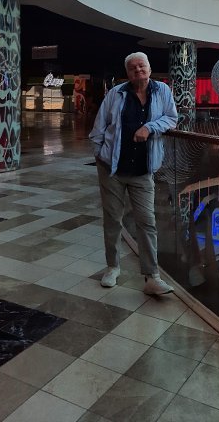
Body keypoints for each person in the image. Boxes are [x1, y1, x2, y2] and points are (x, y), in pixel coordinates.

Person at [89, 52, 178, 295]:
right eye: (132, 68)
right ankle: (112, 267)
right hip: (112, 169)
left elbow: (171, 118)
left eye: (142, 66)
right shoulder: (116, 93)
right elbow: (99, 127)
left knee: (147, 222)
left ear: (149, 68)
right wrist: (99, 154)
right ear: (127, 73)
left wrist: (149, 127)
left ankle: (152, 277)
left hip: (142, 171)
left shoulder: (162, 91)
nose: (138, 70)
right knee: (112, 220)